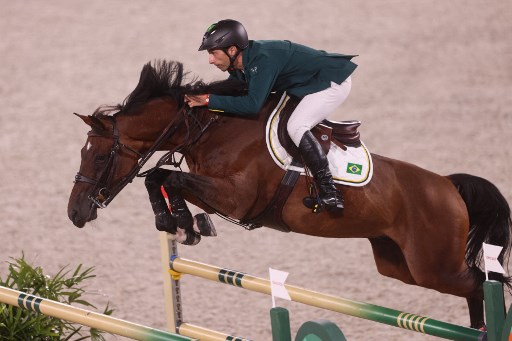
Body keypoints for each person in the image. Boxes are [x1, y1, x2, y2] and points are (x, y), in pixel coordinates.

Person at [185, 19, 357, 212]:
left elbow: (252, 105)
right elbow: (236, 91)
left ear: (232, 50)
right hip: (305, 83)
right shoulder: (241, 65)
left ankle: (330, 192)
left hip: (331, 82)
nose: (210, 60)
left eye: (213, 53)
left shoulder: (262, 59)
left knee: (296, 126)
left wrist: (208, 100)